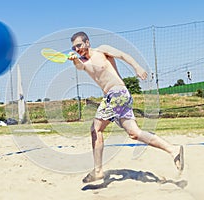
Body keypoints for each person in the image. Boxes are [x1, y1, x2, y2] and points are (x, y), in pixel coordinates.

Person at [68, 31, 184, 183]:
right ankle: (173, 150)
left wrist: (137, 67)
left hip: (118, 94)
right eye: (74, 47)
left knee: (96, 129)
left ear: (87, 42)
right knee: (134, 133)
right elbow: (80, 66)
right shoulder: (82, 61)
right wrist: (74, 59)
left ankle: (97, 171)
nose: (77, 49)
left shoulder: (101, 50)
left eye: (79, 45)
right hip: (113, 97)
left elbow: (123, 55)